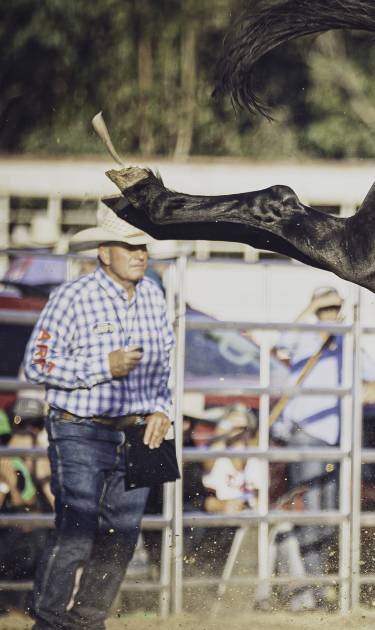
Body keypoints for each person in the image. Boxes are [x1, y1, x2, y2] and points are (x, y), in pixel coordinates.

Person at [22, 208, 174, 630]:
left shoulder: (154, 298)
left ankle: (88, 621)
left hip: (139, 431)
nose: (140, 254)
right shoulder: (72, 297)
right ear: (104, 253)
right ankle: (50, 622)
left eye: (142, 246)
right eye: (130, 246)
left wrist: (164, 409)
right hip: (79, 428)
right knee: (77, 532)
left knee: (122, 537)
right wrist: (101, 366)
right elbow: (36, 365)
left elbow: (163, 368)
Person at [271, 286, 375, 609]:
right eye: (324, 307)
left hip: (335, 441)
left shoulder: (347, 342)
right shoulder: (304, 337)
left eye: (334, 307)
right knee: (311, 513)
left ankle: (318, 587)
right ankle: (308, 591)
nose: (330, 313)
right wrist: (310, 307)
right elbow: (278, 342)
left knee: (327, 516)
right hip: (307, 435)